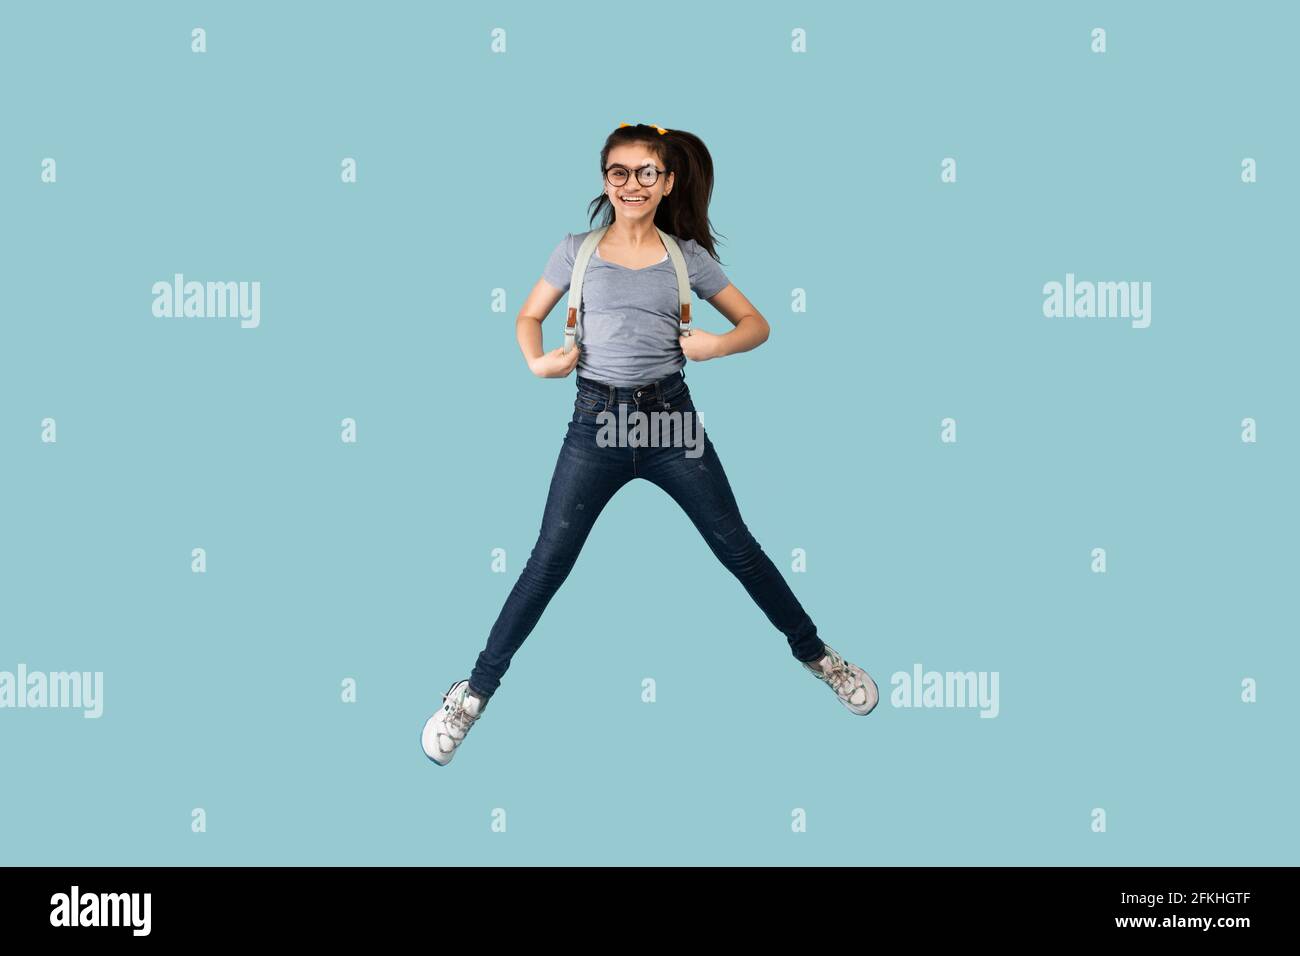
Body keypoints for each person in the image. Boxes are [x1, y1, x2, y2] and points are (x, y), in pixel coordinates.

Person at [422, 122, 878, 767]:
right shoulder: (574, 250)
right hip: (596, 423)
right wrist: (536, 361)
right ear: (604, 179)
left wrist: (717, 345)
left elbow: (757, 324)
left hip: (669, 424)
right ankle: (471, 694)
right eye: (618, 172)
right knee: (548, 563)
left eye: (645, 174)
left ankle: (819, 657)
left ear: (666, 183)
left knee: (738, 547)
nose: (631, 185)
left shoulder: (685, 257)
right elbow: (528, 315)